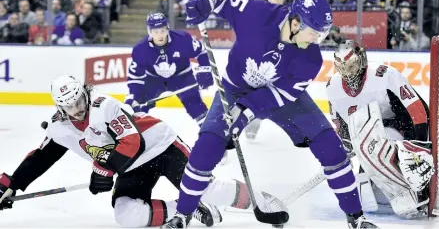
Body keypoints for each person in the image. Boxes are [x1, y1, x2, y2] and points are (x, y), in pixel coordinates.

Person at [161, 0, 379, 228]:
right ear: (296, 23)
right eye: (313, 32)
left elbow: (279, 95)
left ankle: (356, 218)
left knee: (330, 147)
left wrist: (244, 112)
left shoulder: (311, 58)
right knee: (206, 148)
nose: (316, 39)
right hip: (235, 90)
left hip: (279, 97)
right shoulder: (256, 14)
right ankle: (182, 215)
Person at [0, 75, 286, 228]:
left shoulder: (104, 105)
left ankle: (263, 202)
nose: (77, 108)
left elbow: (132, 142)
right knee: (127, 215)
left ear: (84, 92)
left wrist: (103, 169)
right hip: (129, 167)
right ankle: (189, 209)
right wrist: (12, 184)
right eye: (69, 106)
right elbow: (41, 157)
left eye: (79, 100)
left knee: (207, 188)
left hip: (160, 146)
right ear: (59, 107)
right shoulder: (60, 128)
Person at [326, 40, 434, 219]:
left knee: (395, 157)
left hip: (402, 130)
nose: (348, 72)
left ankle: (414, 191)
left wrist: (419, 146)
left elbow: (417, 109)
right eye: (342, 67)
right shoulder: (333, 87)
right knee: (369, 194)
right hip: (369, 138)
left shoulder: (384, 75)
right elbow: (342, 126)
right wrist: (346, 147)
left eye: (351, 65)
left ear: (361, 60)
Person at [124, 12, 213, 127]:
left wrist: (205, 70)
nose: (160, 35)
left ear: (168, 28)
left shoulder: (182, 39)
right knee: (138, 106)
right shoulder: (140, 49)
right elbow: (135, 76)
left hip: (182, 77)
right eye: (155, 32)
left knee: (195, 105)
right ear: (149, 31)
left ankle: (211, 132)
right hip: (154, 80)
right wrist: (134, 95)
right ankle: (132, 132)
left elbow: (201, 52)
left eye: (162, 30)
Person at [243, 0, 288, 140]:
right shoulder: (258, 14)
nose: (276, 0)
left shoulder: (291, 17)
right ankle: (253, 120)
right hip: (260, 62)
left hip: (282, 63)